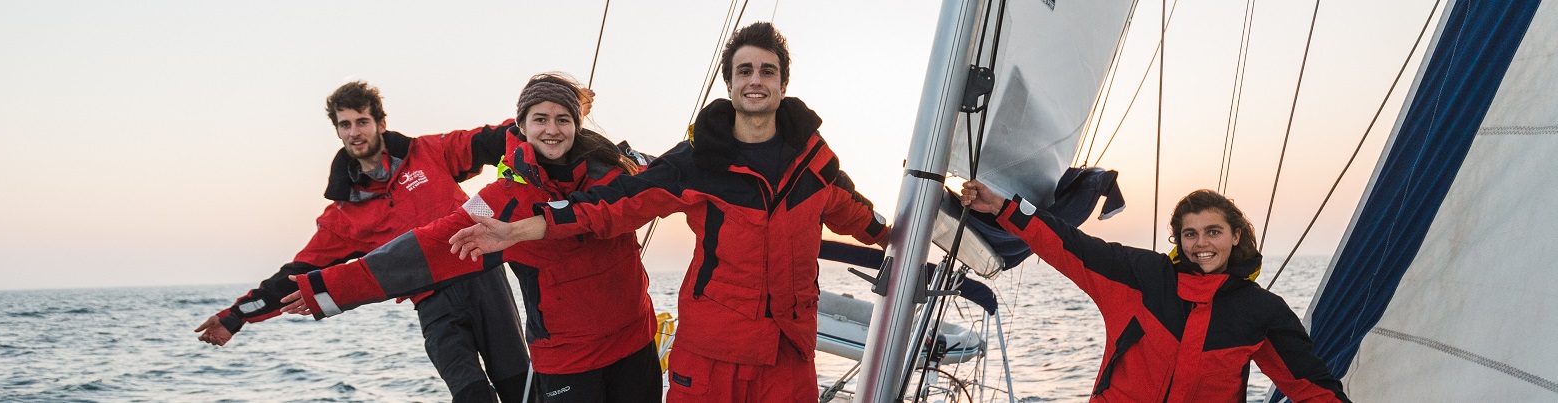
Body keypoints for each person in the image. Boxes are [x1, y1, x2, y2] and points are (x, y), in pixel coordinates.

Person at [448, 22, 889, 402]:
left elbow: (861, 216)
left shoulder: (814, 165)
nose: (755, 80)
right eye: (744, 71)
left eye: (767, 71)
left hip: (788, 358)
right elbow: (615, 203)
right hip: (712, 358)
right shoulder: (698, 161)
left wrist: (903, 238)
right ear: (730, 84)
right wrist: (522, 229)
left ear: (782, 83)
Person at [280, 73, 662, 403]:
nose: (551, 129)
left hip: (635, 341)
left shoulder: (615, 169)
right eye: (540, 119)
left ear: (577, 124)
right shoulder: (497, 200)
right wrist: (330, 288)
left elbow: (668, 183)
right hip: (566, 359)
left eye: (563, 119)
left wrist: (528, 228)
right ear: (521, 127)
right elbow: (430, 244)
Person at [192, 81, 532, 402]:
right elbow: (294, 275)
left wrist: (543, 124)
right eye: (345, 124)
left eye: (362, 121)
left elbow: (494, 138)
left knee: (519, 386)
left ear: (380, 124)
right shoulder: (343, 215)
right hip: (431, 302)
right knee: (470, 394)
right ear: (338, 131)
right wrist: (235, 317)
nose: (354, 132)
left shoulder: (428, 152)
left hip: (483, 281)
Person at [960, 181, 1350, 402]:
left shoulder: (1262, 311)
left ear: (1235, 235)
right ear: (1178, 240)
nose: (1202, 244)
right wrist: (1002, 208)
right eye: (1190, 234)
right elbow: (1070, 246)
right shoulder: (1141, 275)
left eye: (1213, 232)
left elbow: (1311, 388)